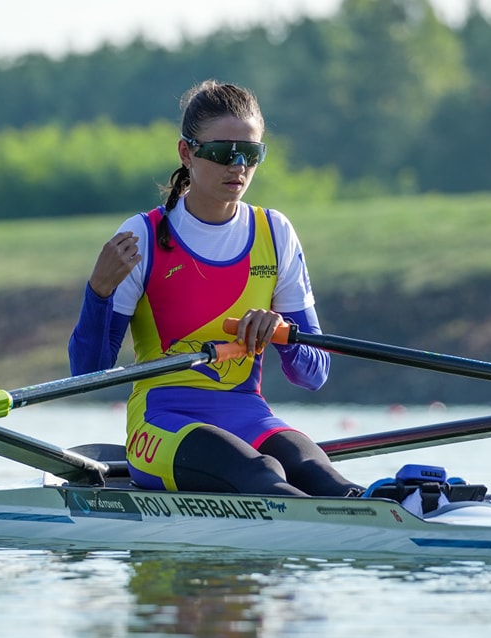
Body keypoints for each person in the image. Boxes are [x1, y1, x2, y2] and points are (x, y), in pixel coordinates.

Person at [69, 80, 362, 497]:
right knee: (261, 473)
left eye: (251, 154)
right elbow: (87, 374)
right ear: (186, 152)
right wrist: (98, 292)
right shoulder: (142, 237)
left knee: (322, 475)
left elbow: (313, 374)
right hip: (162, 422)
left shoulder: (275, 232)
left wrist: (280, 331)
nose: (238, 166)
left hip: (248, 414)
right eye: (224, 152)